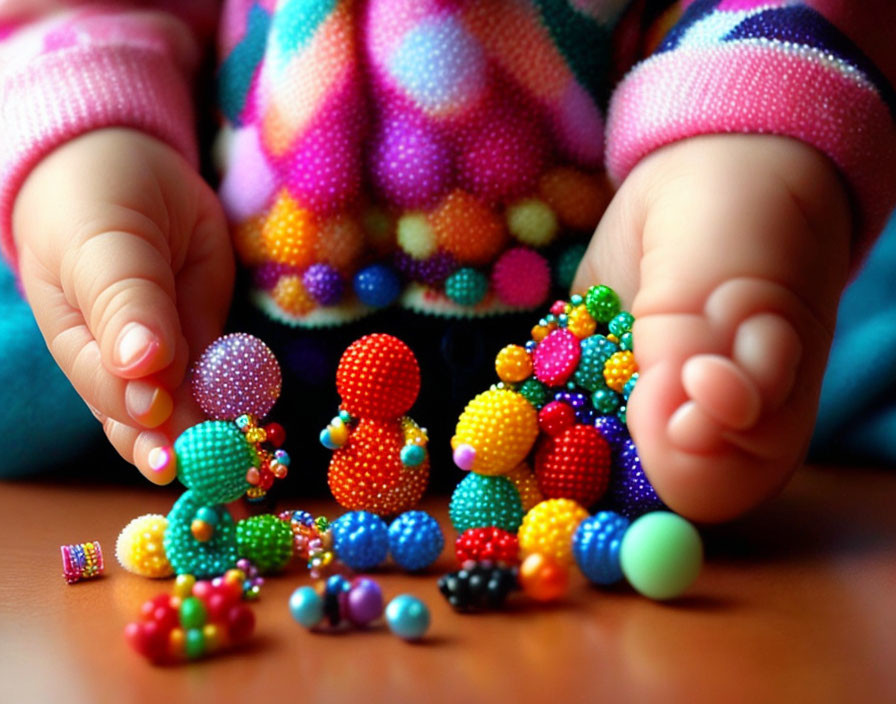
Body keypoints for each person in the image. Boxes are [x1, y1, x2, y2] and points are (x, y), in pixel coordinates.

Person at [2, 1, 894, 522]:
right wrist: (89, 132)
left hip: (603, 325)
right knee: (72, 338)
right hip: (213, 299)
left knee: (802, 337)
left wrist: (743, 150)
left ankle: (729, 262)